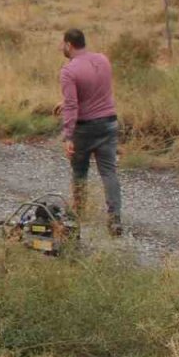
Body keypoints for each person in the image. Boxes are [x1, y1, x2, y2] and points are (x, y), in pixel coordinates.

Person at [57, 28, 122, 235]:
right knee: (109, 173)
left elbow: (73, 105)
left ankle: (77, 215)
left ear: (69, 45)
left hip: (85, 129)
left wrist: (68, 136)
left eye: (62, 44)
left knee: (79, 172)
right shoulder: (103, 60)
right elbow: (98, 89)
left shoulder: (68, 71)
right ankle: (115, 220)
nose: (61, 48)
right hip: (109, 124)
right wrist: (65, 103)